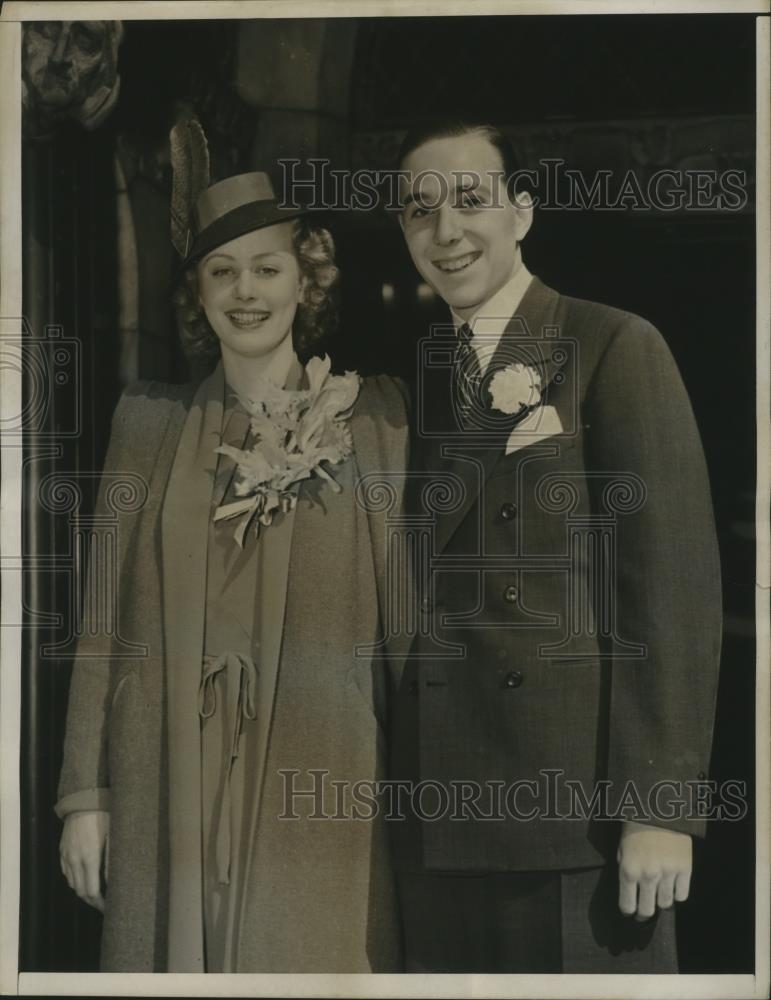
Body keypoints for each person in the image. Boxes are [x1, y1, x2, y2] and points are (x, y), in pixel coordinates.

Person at [56, 148, 408, 972]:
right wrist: (85, 796)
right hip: (168, 771)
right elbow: (103, 620)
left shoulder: (376, 424)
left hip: (321, 780)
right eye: (222, 272)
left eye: (266, 267)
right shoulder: (145, 422)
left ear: (305, 281)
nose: (245, 291)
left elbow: (407, 628)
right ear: (199, 294)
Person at [387, 120, 722, 973]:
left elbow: (672, 588)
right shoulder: (412, 378)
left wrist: (660, 806)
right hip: (432, 819)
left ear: (522, 213)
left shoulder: (611, 344)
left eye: (471, 200)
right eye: (420, 211)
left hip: (573, 821)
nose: (446, 231)